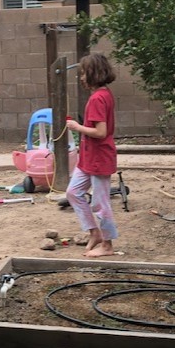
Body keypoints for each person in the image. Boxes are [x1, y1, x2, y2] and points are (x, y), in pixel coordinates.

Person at [65, 53, 118, 258]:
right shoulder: (103, 94)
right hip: (88, 159)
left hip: (99, 159)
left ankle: (107, 245)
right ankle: (94, 232)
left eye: (83, 73)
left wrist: (78, 127)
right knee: (73, 192)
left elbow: (101, 132)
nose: (81, 77)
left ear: (94, 73)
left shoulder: (98, 98)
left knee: (100, 204)